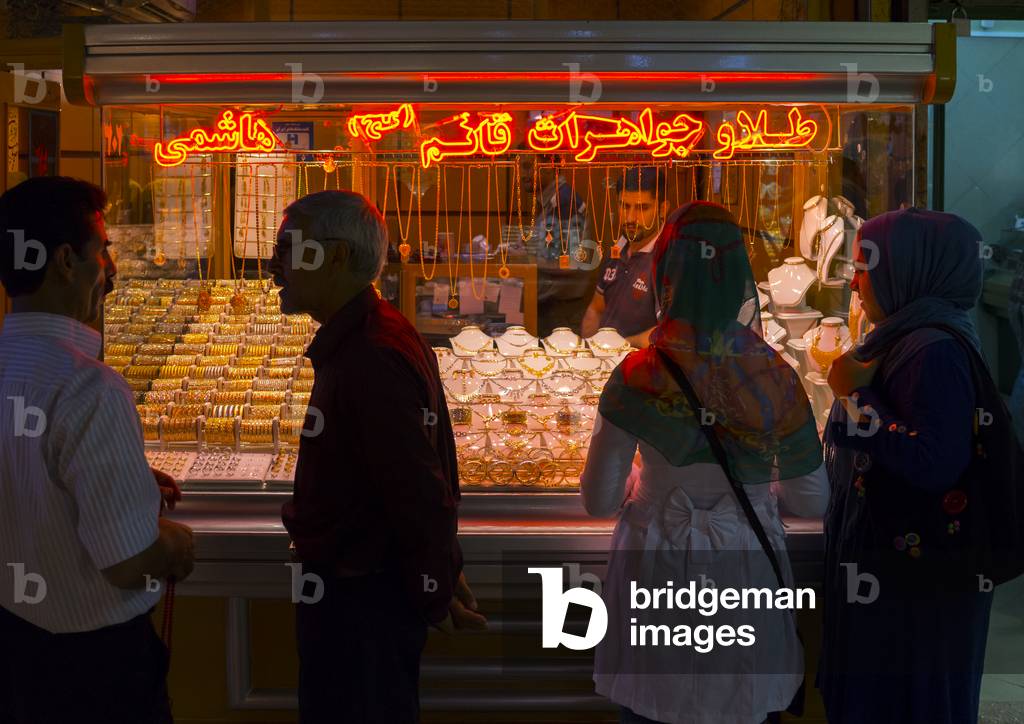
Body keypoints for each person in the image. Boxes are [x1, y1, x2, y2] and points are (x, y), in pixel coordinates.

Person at [581, 202, 828, 724]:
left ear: (667, 277)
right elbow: (813, 500)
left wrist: (646, 483)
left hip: (657, 564)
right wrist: (760, 487)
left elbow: (598, 502)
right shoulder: (776, 376)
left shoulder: (638, 376)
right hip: (745, 566)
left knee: (654, 706)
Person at [272, 191, 486, 724]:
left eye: (289, 248)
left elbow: (419, 489)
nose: (275, 264)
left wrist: (435, 583)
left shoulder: (370, 355)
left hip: (361, 605)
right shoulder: (370, 336)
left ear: (338, 257)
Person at [0, 177, 195, 724]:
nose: (110, 267)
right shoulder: (89, 388)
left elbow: (27, 474)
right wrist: (174, 546)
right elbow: (128, 563)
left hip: (15, 649)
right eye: (103, 249)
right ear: (66, 260)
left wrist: (123, 479)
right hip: (94, 670)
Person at [817, 208, 996, 724]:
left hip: (914, 596)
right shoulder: (910, 335)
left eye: (864, 267)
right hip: (900, 584)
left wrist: (854, 394)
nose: (853, 283)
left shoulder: (933, 349)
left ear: (910, 269)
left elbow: (932, 462)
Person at [581, 167, 668, 348]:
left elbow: (669, 332)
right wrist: (588, 352)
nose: (630, 218)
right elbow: (596, 309)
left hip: (641, 370)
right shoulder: (619, 245)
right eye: (624, 206)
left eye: (642, 208)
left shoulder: (669, 257)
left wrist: (620, 348)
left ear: (662, 209)